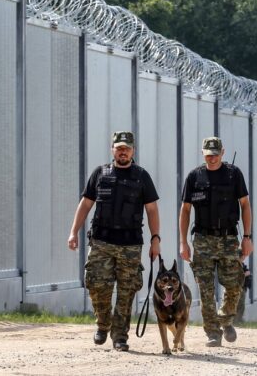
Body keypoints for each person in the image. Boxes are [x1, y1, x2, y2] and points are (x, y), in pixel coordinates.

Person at [67, 131, 161, 352]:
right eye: (119, 148)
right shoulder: (100, 174)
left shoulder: (141, 177)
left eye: (127, 148)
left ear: (133, 151)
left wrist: (155, 239)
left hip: (130, 244)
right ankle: (103, 324)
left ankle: (120, 336)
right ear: (112, 150)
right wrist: (73, 232)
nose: (123, 151)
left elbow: (152, 210)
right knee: (97, 285)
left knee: (127, 291)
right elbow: (85, 204)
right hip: (101, 241)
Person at [179, 137, 253, 347]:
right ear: (203, 153)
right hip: (202, 240)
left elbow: (245, 205)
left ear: (223, 152)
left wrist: (247, 237)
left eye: (215, 154)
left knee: (234, 284)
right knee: (205, 289)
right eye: (208, 154)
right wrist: (183, 242)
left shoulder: (233, 174)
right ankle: (213, 332)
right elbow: (185, 210)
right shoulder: (195, 177)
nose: (212, 158)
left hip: (229, 239)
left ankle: (226, 319)